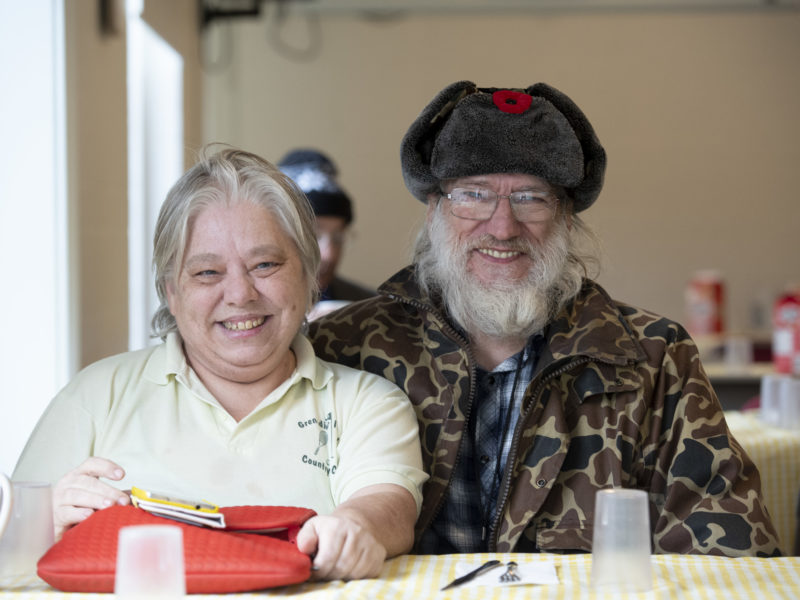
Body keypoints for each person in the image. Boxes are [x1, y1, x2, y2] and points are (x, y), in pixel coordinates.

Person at [308, 81, 781, 557]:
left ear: (567, 219)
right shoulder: (344, 346)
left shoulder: (654, 357)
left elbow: (735, 559)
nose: (502, 226)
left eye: (531, 198)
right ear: (434, 211)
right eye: (474, 194)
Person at [13, 147, 427, 580]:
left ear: (308, 277)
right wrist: (45, 527)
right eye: (208, 272)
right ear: (171, 292)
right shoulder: (97, 394)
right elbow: (11, 552)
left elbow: (387, 506)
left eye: (265, 264)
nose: (240, 294)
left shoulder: (368, 401)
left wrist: (358, 527)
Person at [277, 149, 375, 318]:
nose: (329, 254)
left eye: (338, 237)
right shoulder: (250, 305)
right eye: (314, 235)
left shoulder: (368, 306)